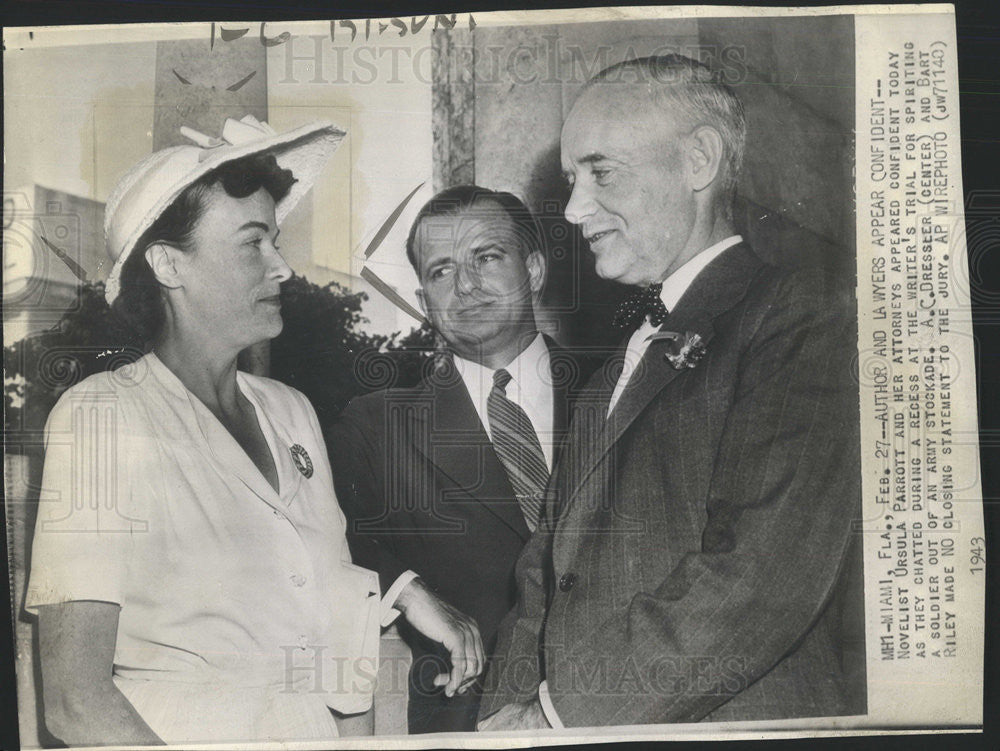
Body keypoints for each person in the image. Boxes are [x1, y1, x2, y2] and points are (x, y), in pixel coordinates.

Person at [24, 116, 466, 746]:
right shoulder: (101, 418)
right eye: (252, 243)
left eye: (276, 241)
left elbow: (337, 644)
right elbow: (75, 701)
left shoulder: (291, 413)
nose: (282, 267)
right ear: (170, 265)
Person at [478, 55, 865, 730]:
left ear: (698, 161)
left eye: (601, 171)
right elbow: (541, 585)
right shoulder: (608, 374)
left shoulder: (800, 318)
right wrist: (496, 728)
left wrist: (556, 713)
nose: (572, 210)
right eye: (571, 180)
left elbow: (761, 578)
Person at [329, 185, 597, 733]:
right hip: (469, 721)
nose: (466, 287)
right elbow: (326, 537)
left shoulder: (616, 390)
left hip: (627, 709)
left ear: (536, 269)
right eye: (441, 271)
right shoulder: (377, 425)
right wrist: (406, 589)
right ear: (425, 297)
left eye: (487, 258)